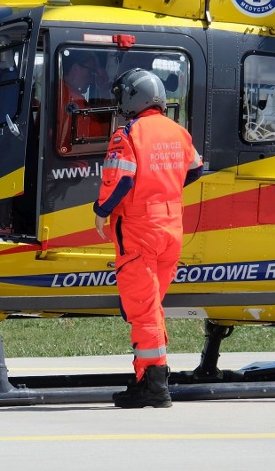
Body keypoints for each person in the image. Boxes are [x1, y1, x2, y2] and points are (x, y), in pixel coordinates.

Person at [92, 68, 204, 408]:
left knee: (143, 310)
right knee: (151, 308)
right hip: (171, 229)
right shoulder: (178, 132)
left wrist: (100, 211)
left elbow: (120, 182)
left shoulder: (127, 135)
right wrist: (163, 189)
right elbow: (196, 168)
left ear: (131, 99)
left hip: (140, 231)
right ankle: (146, 378)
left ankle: (155, 385)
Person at [57, 50, 112, 153]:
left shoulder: (58, 91)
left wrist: (103, 89)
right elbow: (80, 144)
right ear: (75, 69)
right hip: (81, 163)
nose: (92, 80)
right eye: (90, 72)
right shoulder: (73, 100)